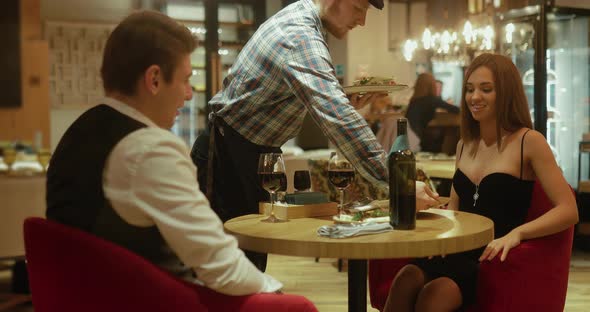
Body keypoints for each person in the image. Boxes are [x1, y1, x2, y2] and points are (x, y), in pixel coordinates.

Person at [46, 10, 282, 296]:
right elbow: (222, 268)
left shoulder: (79, 130)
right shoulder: (149, 149)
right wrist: (278, 293)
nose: (189, 94)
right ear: (154, 79)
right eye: (185, 79)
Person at [191, 0, 439, 270]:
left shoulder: (307, 23)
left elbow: (290, 99)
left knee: (246, 263)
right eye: (359, 8)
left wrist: (340, 100)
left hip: (246, 149)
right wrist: (397, 184)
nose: (362, 21)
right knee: (226, 266)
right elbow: (340, 119)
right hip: (227, 152)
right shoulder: (300, 36)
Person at [383, 53, 578, 312]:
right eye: (470, 89)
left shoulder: (528, 142)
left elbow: (569, 210)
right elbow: (455, 209)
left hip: (490, 259)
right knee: (406, 276)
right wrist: (436, 232)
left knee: (434, 294)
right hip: (455, 249)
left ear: (506, 93)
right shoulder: (464, 145)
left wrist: (517, 233)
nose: (475, 97)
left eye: (486, 89)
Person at [405, 73, 460, 153]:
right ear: (431, 85)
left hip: (408, 134)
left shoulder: (414, 100)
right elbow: (455, 109)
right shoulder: (431, 99)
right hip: (418, 137)